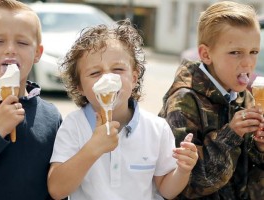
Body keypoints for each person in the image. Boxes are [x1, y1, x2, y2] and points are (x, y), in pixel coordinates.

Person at [47, 19, 198, 200]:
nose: (108, 78)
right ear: (79, 86)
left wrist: (183, 170)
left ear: (134, 78)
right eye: (95, 73)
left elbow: (167, 190)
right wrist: (92, 148)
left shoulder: (157, 129)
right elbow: (57, 190)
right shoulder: (74, 125)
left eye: (118, 69)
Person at [158, 1, 264, 199]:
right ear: (206, 54)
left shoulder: (245, 98)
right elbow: (188, 186)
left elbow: (250, 176)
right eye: (235, 52)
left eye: (254, 52)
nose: (248, 62)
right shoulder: (183, 102)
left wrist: (260, 148)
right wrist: (231, 135)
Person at [0, 0, 62, 199]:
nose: (10, 49)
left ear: (37, 53)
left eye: (23, 43)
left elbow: (56, 181)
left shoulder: (52, 116)